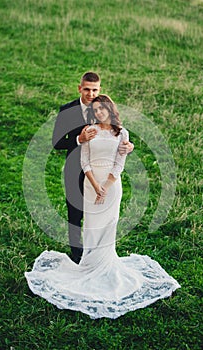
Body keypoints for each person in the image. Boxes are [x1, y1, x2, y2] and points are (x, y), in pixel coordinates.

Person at [25, 95, 180, 320]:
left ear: (110, 109)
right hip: (91, 184)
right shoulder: (90, 130)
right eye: (95, 110)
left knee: (108, 225)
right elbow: (84, 161)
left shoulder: (122, 134)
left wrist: (106, 186)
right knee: (91, 225)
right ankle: (88, 263)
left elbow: (120, 163)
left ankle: (105, 263)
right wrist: (96, 185)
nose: (99, 113)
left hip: (111, 186)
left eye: (102, 109)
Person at [52, 72, 133, 263]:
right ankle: (77, 253)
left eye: (94, 89)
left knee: (101, 213)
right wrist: (79, 139)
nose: (90, 93)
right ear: (80, 88)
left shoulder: (103, 107)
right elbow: (56, 142)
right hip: (75, 167)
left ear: (100, 89)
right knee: (75, 210)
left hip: (102, 172)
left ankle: (100, 253)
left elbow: (117, 135)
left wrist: (130, 146)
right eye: (87, 89)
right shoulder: (67, 110)